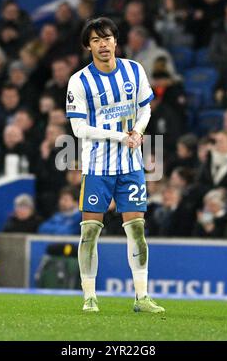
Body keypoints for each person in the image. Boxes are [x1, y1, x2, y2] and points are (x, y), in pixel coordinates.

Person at [66, 17, 165, 314]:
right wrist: (121, 136)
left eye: (107, 38)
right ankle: (89, 297)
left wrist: (138, 131)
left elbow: (145, 107)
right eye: (96, 40)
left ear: (115, 42)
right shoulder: (79, 81)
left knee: (136, 229)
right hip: (97, 166)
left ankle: (141, 297)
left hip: (130, 165)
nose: (103, 44)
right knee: (90, 231)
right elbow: (79, 129)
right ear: (88, 46)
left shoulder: (134, 71)